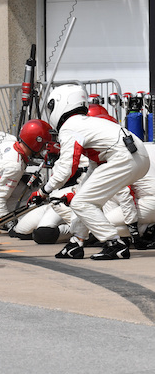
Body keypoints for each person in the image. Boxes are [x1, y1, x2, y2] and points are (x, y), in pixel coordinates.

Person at [29, 84, 150, 260]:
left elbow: (66, 168)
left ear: (61, 103)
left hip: (125, 158)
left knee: (81, 202)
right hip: (135, 156)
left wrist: (43, 191)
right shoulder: (87, 123)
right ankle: (76, 243)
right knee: (84, 198)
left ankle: (115, 244)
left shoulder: (70, 126)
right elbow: (95, 164)